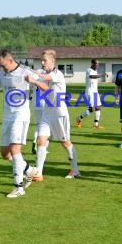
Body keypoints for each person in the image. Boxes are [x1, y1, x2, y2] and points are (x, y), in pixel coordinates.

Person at [0, 49, 48, 198]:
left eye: (3, 65)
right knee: (5, 153)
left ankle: (18, 187)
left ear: (10, 60)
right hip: (7, 117)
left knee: (15, 149)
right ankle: (29, 170)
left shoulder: (25, 71)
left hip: (20, 116)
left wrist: (35, 81)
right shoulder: (2, 73)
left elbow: (46, 88)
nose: (1, 68)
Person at [33, 50, 81, 181]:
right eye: (41, 60)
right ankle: (38, 173)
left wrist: (35, 77)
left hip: (59, 114)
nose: (42, 63)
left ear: (53, 62)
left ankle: (75, 170)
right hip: (46, 113)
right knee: (40, 140)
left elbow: (45, 81)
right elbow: (40, 80)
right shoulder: (42, 73)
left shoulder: (58, 74)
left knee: (65, 143)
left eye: (45, 61)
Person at [76, 59, 107, 129]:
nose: (98, 65)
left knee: (97, 107)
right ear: (92, 64)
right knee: (92, 109)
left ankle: (95, 124)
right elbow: (92, 76)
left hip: (95, 92)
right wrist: (102, 75)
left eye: (98, 64)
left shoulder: (95, 71)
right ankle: (79, 119)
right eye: (96, 64)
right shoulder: (89, 70)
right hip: (90, 92)